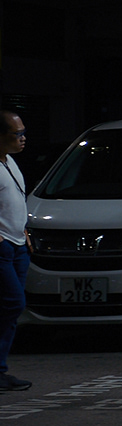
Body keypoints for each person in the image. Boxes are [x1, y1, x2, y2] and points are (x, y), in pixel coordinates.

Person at [0, 110, 31, 392]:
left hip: (18, 245)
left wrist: (23, 231)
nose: (23, 138)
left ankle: (0, 370)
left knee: (11, 307)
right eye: (16, 133)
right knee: (12, 303)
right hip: (3, 247)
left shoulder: (9, 162)